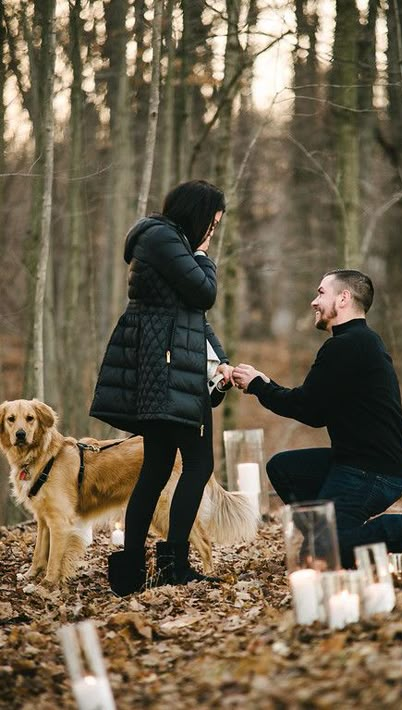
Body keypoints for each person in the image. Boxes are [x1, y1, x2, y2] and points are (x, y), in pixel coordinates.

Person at [90, 179, 233, 596]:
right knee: (197, 464)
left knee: (156, 468)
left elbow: (194, 318)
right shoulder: (164, 239)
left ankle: (134, 570)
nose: (212, 231)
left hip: (172, 365)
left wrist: (219, 359)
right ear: (198, 213)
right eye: (213, 222)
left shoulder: (168, 242)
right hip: (166, 369)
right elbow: (204, 294)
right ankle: (171, 565)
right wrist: (205, 256)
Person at [233, 269, 402, 568]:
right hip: (356, 462)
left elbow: (308, 409)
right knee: (285, 469)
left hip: (374, 470)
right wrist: (264, 384)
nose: (314, 301)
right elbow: (317, 411)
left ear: (344, 297)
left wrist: (259, 384)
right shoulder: (357, 343)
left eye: (321, 292)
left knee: (323, 553)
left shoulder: (348, 345)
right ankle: (328, 537)